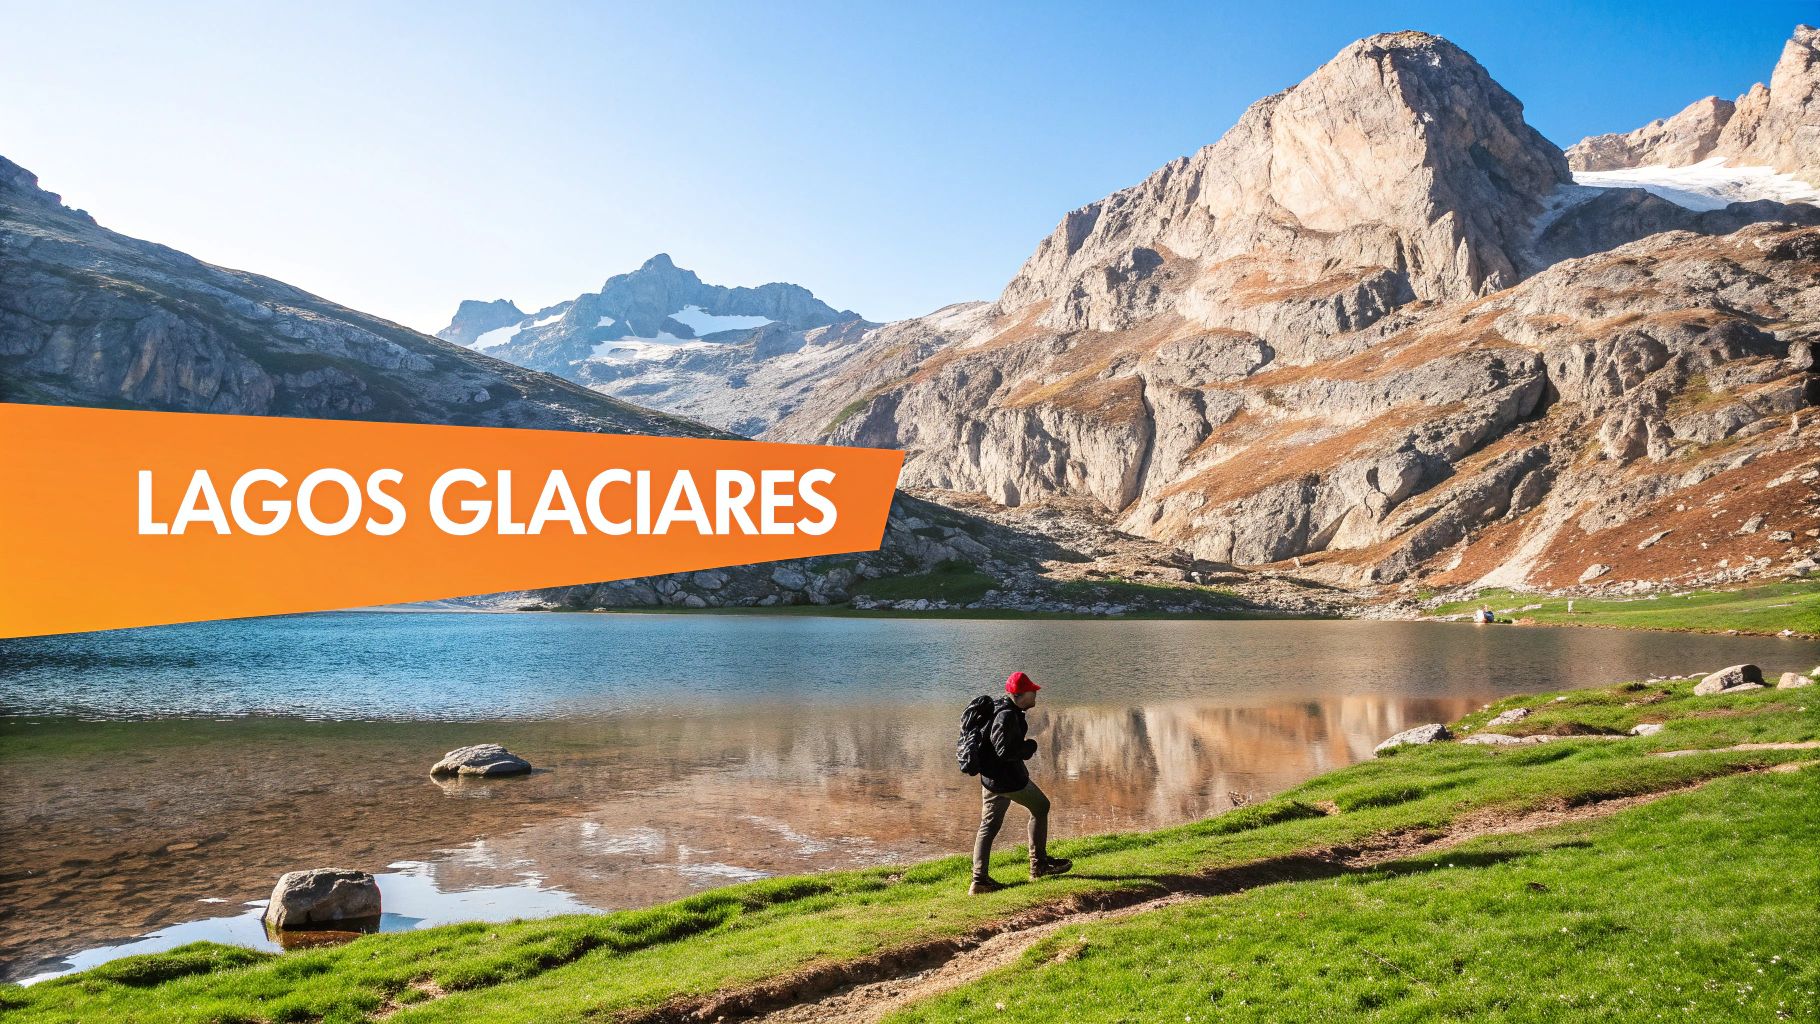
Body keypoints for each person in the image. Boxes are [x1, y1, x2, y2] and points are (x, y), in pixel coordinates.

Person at [970, 670, 1072, 894]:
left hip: (991, 780)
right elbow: (1004, 751)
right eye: (1032, 691)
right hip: (1009, 782)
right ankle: (1038, 865)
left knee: (988, 826)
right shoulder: (1006, 716)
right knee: (1041, 807)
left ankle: (979, 881)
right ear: (1019, 694)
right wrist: (1029, 748)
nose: (1035, 694)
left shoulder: (1001, 709)